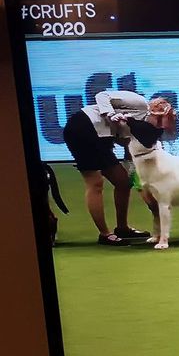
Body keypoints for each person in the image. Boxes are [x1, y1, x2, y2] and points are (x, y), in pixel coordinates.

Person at [62, 90, 167, 245]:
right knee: (95, 182)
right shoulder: (139, 103)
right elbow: (101, 95)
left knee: (123, 182)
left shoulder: (144, 131)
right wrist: (110, 114)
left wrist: (142, 187)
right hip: (83, 127)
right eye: (159, 117)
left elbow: (130, 157)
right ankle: (105, 234)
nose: (159, 121)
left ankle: (122, 228)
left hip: (102, 138)